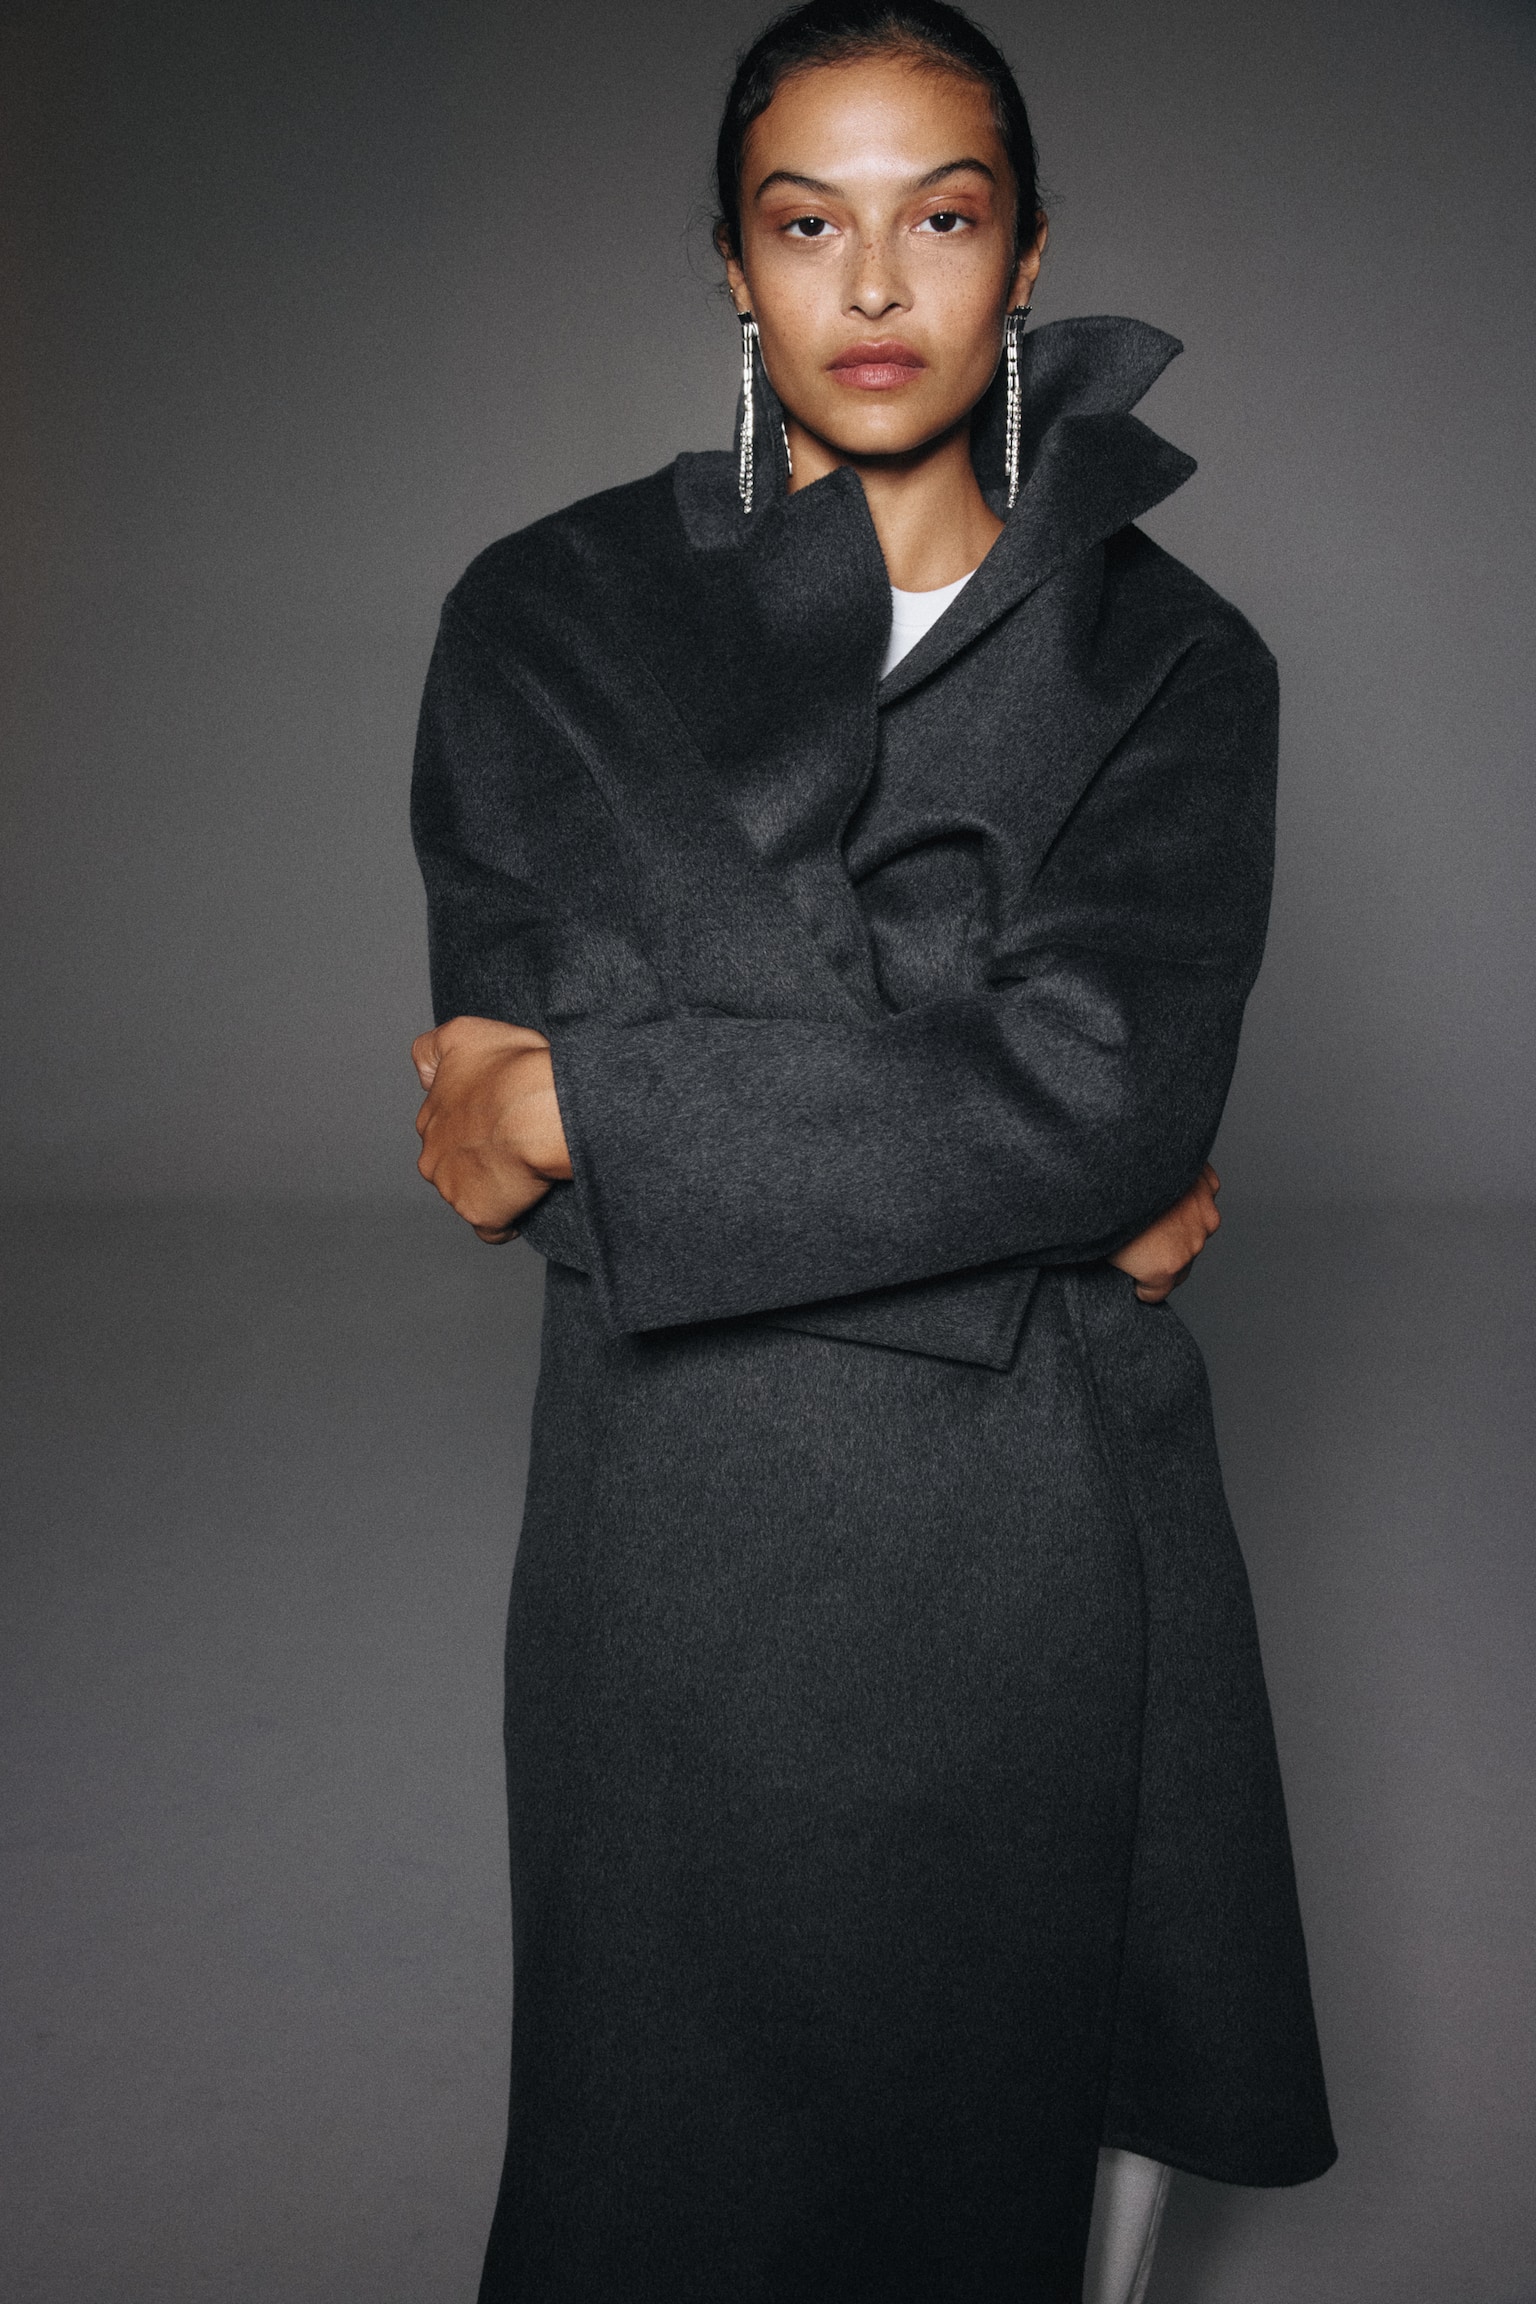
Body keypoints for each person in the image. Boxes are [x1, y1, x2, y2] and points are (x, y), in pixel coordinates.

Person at [409, 4, 1337, 2297]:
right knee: (668, 2173)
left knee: (1029, 2154)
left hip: (1050, 1549)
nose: (878, 284)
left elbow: (1095, 1089)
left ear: (1029, 254)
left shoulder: (1175, 660)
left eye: (944, 216)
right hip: (675, 1540)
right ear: (734, 266)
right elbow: (1055, 1115)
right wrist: (1033, 1174)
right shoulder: (547, 613)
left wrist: (608, 1105)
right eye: (808, 224)